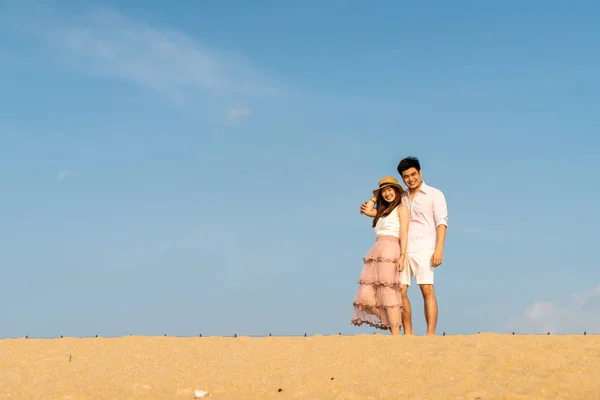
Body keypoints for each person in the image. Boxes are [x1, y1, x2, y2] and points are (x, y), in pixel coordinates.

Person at [360, 157, 447, 336]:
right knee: (399, 292)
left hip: (425, 248)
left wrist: (439, 249)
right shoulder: (402, 198)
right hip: (401, 250)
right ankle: (408, 332)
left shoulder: (434, 194)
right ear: (402, 179)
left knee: (426, 289)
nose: (411, 179)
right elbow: (375, 212)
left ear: (420, 173)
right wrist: (377, 194)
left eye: (413, 174)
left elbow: (441, 222)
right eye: (406, 176)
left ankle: (430, 334)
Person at [351, 176, 409, 336]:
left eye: (390, 190)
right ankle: (392, 324)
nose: (387, 193)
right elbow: (365, 210)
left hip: (391, 249)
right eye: (384, 191)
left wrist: (403, 255)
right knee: (365, 298)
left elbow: (404, 233)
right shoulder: (382, 212)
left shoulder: (401, 209)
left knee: (388, 290)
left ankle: (396, 333)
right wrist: (375, 196)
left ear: (397, 191)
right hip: (376, 250)